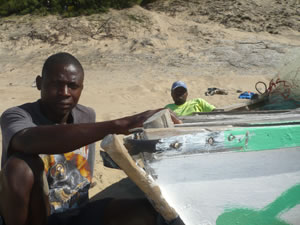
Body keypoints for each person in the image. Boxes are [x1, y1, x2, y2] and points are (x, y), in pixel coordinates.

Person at [0, 52, 179, 225]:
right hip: (38, 216)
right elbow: (26, 140)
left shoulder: (86, 115)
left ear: (81, 88)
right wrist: (122, 124)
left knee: (147, 212)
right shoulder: (17, 115)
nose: (64, 92)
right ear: (39, 83)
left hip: (78, 212)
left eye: (73, 86)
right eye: (56, 84)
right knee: (20, 168)